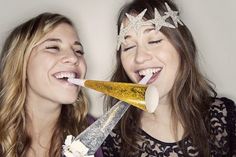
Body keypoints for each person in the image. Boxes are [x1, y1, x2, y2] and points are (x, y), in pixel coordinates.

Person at [101, 0, 236, 156]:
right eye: (129, 47)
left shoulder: (224, 117)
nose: (139, 58)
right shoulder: (112, 137)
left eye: (154, 41)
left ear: (182, 47)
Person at [0, 13, 103, 157]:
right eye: (53, 47)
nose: (74, 58)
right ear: (20, 62)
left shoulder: (99, 134)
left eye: (78, 51)